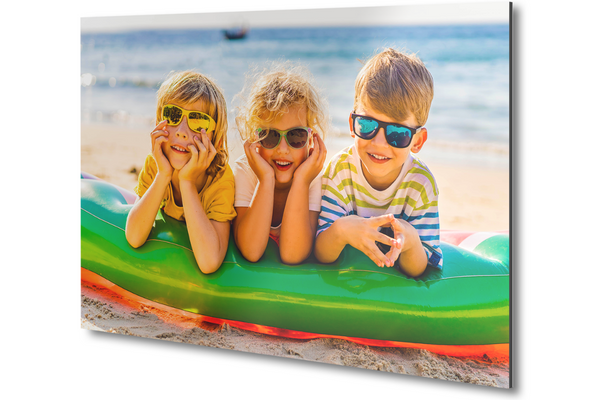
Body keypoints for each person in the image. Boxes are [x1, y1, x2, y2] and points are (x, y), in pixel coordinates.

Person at [314, 48, 442, 277]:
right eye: (367, 125)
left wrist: (412, 242)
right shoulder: (341, 170)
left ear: (417, 141)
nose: (379, 143)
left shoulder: (420, 184)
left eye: (397, 133)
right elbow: (322, 253)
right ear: (353, 124)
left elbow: (421, 268)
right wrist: (342, 230)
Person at [125, 70, 236, 274]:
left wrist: (187, 182)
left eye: (198, 121)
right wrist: (163, 175)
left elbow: (209, 262)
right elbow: (134, 237)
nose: (182, 131)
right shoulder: (156, 165)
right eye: (173, 115)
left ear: (217, 141)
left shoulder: (220, 180)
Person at [233, 63, 329, 264]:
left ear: (310, 139)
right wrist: (266, 179)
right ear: (255, 137)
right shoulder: (246, 171)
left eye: (296, 136)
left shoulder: (312, 178)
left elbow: (292, 254)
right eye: (270, 136)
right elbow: (251, 251)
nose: (283, 149)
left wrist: (301, 182)